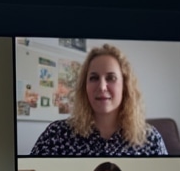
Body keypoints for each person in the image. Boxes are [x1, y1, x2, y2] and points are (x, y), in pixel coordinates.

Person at [29, 43, 167, 156]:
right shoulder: (56, 135)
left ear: (125, 86)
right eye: (94, 78)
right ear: (85, 87)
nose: (102, 87)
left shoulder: (151, 139)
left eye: (111, 78)